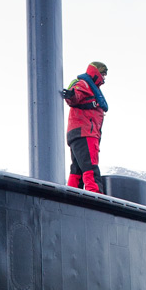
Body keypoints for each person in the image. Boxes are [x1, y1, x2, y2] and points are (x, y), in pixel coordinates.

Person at [63, 61, 108, 193]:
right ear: (97, 73)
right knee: (90, 168)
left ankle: (71, 195)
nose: (104, 78)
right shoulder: (85, 84)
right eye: (103, 74)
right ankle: (95, 197)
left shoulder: (88, 86)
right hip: (86, 132)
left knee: (76, 169)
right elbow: (75, 97)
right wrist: (71, 96)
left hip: (77, 133)